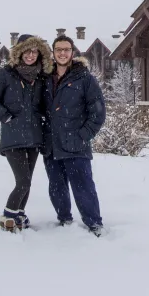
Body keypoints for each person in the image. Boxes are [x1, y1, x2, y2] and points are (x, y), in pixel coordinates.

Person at [0, 33, 52, 232]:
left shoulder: (41, 77)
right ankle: (8, 215)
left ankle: (20, 215)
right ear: (19, 52)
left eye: (34, 51)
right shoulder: (5, 74)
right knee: (22, 181)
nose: (30, 55)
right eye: (26, 51)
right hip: (13, 135)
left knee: (28, 181)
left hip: (34, 135)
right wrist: (6, 117)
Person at [42, 35, 106, 236]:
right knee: (56, 187)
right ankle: (65, 221)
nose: (62, 53)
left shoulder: (84, 78)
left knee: (84, 187)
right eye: (58, 49)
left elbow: (98, 112)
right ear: (53, 52)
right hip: (51, 144)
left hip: (76, 144)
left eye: (66, 49)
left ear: (72, 52)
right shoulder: (45, 78)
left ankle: (94, 223)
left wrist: (83, 136)